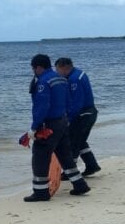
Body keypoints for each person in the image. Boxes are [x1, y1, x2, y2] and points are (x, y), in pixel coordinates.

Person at [23, 54, 91, 202]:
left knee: (40, 155)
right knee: (65, 156)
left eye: (33, 68)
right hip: (62, 122)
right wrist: (67, 120)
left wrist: (34, 127)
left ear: (38, 67)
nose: (33, 71)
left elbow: (42, 106)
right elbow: (69, 101)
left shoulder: (43, 82)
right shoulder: (60, 79)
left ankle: (41, 192)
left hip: (49, 124)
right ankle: (80, 184)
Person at [54, 57, 101, 177]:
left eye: (57, 70)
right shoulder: (79, 73)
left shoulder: (75, 79)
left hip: (83, 114)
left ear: (64, 68)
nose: (57, 73)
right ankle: (92, 165)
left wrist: (68, 119)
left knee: (72, 142)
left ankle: (70, 171)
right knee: (80, 141)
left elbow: (77, 103)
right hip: (90, 113)